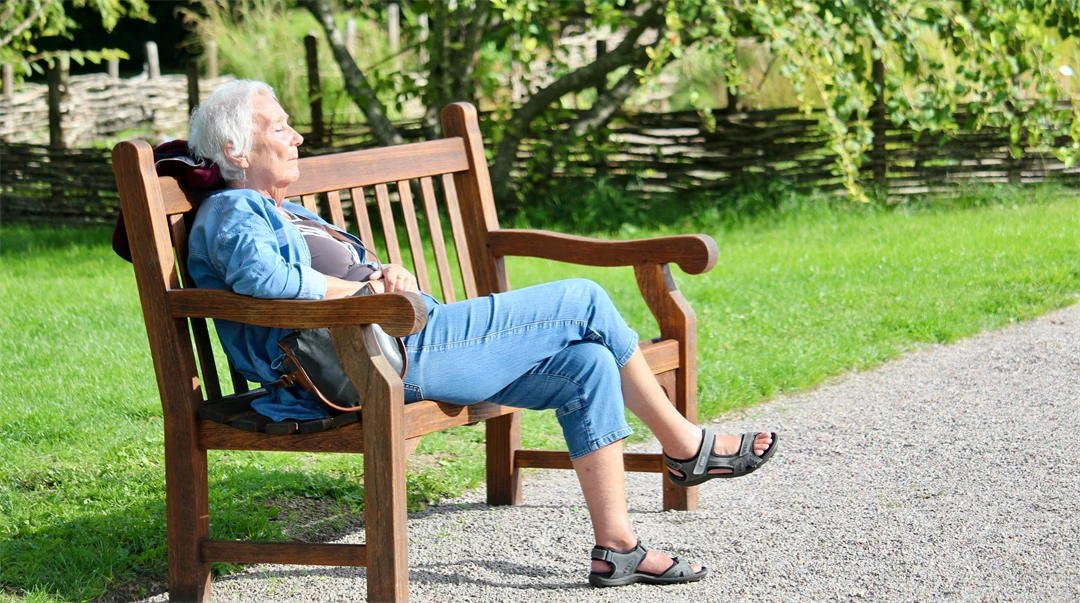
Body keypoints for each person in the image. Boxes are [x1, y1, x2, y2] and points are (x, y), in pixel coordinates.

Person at [186, 79, 778, 588]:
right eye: (281, 127)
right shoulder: (233, 209)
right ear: (236, 149)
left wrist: (385, 274)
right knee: (583, 299)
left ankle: (617, 548)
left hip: (397, 339)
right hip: (381, 354)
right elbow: (263, 280)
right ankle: (685, 446)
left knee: (589, 363)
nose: (297, 137)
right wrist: (371, 294)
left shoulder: (282, 207)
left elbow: (325, 272)